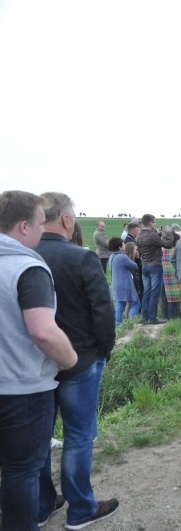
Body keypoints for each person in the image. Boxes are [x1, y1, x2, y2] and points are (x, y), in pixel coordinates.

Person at [35, 192, 119, 530]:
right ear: (67, 220)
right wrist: (104, 349)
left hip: (35, 364)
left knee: (39, 437)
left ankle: (42, 504)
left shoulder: (24, 253)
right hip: (80, 360)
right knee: (79, 436)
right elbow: (103, 309)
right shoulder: (81, 258)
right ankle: (81, 509)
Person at [0, 190, 78, 530]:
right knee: (21, 470)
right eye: (37, 222)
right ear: (23, 226)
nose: (40, 228)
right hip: (22, 389)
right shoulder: (27, 266)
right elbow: (43, 331)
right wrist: (69, 359)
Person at [136, 214, 174, 325]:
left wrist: (157, 234)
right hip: (155, 266)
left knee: (146, 292)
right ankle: (152, 318)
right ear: (150, 223)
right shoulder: (152, 236)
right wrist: (168, 233)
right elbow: (168, 245)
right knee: (154, 293)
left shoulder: (139, 236)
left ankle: (145, 317)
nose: (155, 224)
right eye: (154, 222)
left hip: (145, 266)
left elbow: (149, 244)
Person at [109, 237, 141, 327]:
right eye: (123, 245)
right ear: (119, 247)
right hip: (125, 285)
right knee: (136, 303)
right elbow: (134, 266)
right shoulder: (122, 257)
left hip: (115, 284)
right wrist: (137, 258)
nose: (124, 246)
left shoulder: (111, 257)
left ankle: (118, 326)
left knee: (119, 305)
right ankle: (131, 323)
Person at [161, 239, 181, 320]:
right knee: (175, 300)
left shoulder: (162, 251)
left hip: (164, 276)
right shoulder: (175, 251)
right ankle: (174, 318)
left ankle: (167, 317)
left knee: (167, 299)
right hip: (175, 276)